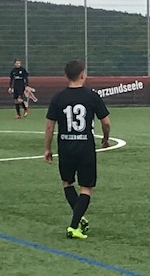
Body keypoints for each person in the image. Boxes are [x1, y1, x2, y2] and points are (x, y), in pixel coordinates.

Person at [44, 60, 111, 240]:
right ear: (82, 75)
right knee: (86, 187)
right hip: (85, 147)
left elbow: (50, 126)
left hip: (65, 147)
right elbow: (106, 122)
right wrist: (105, 139)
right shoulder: (91, 96)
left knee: (67, 183)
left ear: (66, 76)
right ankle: (74, 226)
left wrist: (47, 148)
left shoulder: (58, 98)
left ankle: (78, 218)